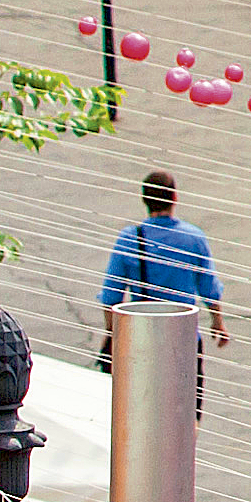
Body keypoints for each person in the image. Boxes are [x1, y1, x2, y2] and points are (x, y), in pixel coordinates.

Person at [98, 170, 229, 399]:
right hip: (184, 339)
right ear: (174, 198)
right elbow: (209, 289)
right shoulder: (194, 238)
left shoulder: (129, 239)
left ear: (144, 200)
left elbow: (111, 297)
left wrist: (113, 337)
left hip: (141, 340)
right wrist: (218, 322)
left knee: (142, 409)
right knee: (186, 415)